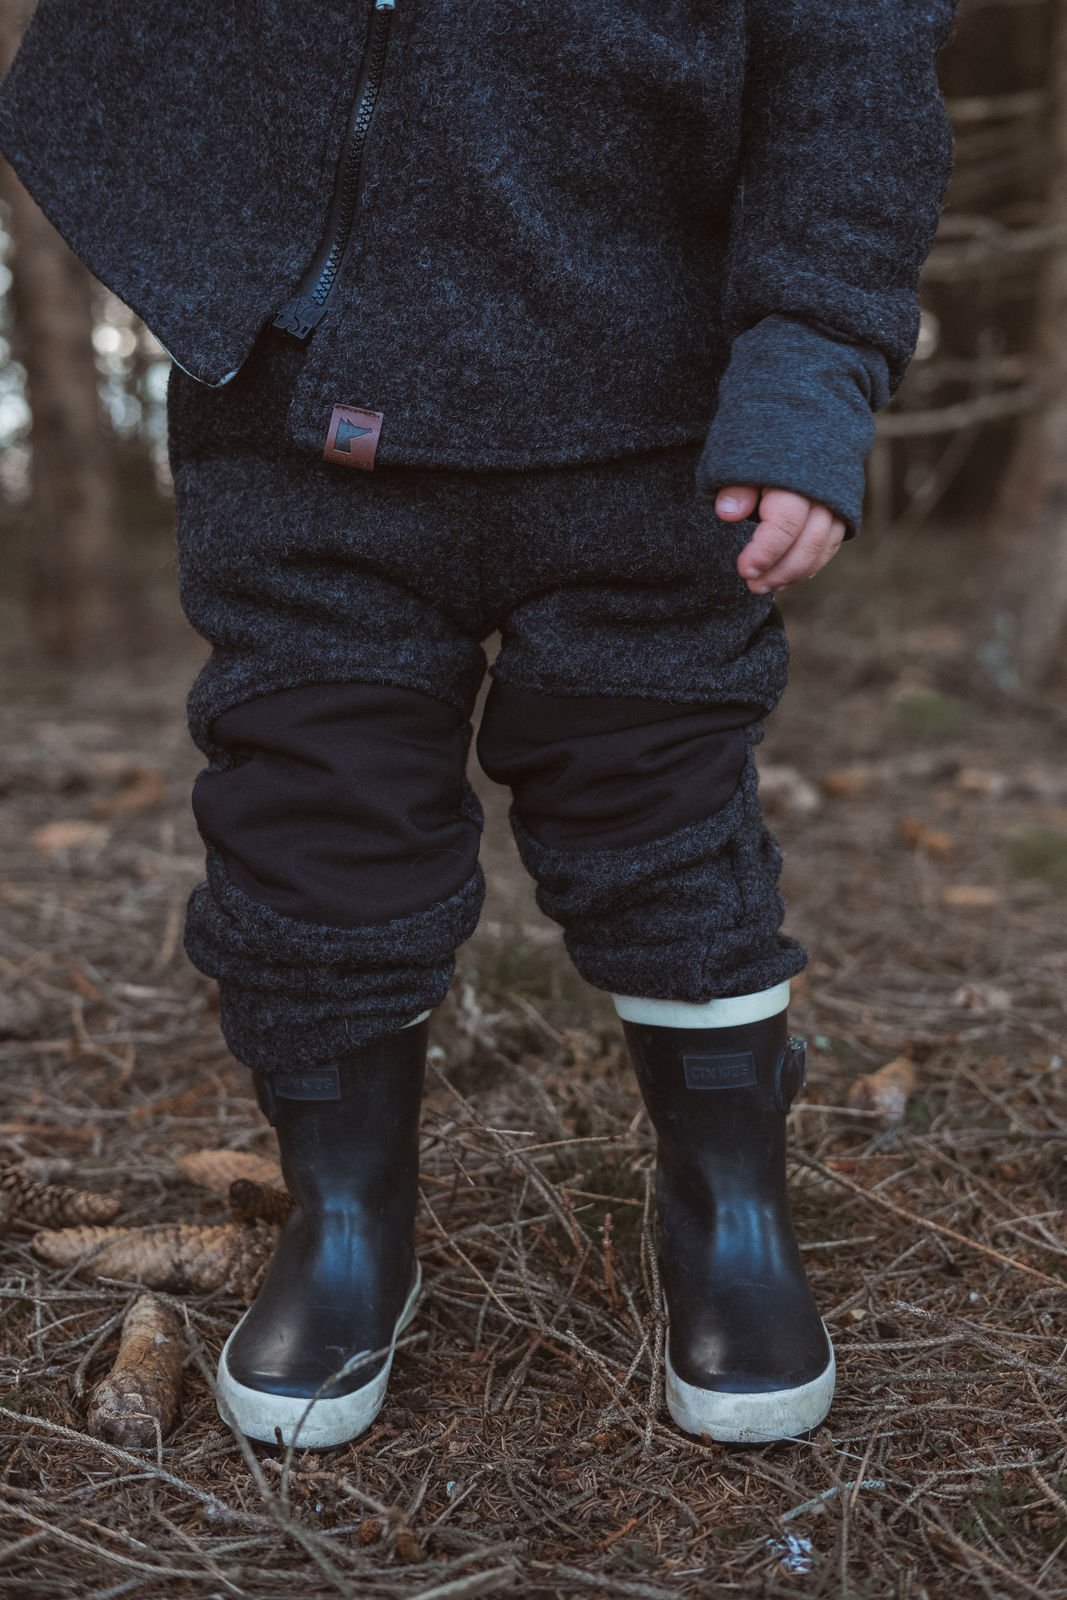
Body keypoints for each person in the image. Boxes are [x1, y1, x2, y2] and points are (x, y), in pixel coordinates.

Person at [0, 0, 958, 1449]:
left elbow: (853, 64)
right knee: (312, 803)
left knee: (659, 800)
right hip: (300, 396)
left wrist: (811, 360)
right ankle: (345, 1224)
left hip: (651, 399)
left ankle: (730, 1215)